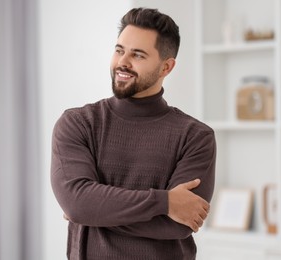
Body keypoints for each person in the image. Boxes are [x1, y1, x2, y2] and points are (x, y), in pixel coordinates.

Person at [51, 7, 216, 260]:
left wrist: (92, 211)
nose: (123, 62)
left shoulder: (195, 137)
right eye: (119, 50)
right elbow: (77, 203)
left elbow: (179, 224)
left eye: (138, 55)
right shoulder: (78, 123)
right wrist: (165, 203)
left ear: (166, 67)